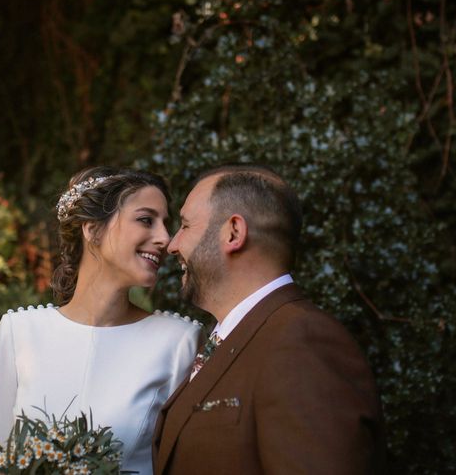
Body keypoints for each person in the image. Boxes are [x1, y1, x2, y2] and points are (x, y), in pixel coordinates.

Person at [152, 165, 385, 474]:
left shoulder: (302, 342)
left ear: (233, 232)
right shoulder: (229, 337)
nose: (172, 245)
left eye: (185, 226)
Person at [0, 167, 200, 474]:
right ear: (91, 228)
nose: (165, 238)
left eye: (166, 224)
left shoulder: (179, 341)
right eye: (145, 220)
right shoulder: (19, 333)